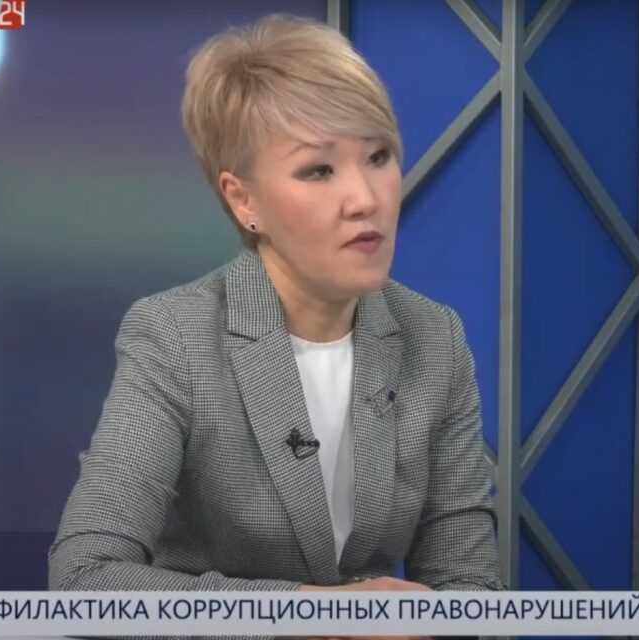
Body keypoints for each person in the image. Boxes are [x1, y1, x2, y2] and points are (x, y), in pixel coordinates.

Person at [47, 12, 504, 631]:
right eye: (318, 170)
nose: (365, 199)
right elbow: (83, 581)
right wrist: (316, 614)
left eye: (379, 156)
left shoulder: (434, 336)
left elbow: (470, 587)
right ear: (243, 199)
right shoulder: (175, 336)